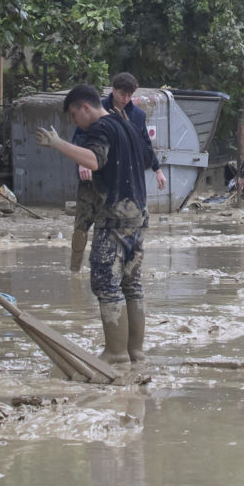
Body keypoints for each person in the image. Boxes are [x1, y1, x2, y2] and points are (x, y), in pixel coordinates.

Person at [36, 86, 166, 364]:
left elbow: (94, 160)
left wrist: (57, 143)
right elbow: (146, 158)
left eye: (74, 115)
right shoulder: (126, 124)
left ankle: (115, 354)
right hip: (138, 215)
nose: (75, 123)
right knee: (131, 282)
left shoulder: (101, 128)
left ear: (85, 107)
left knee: (105, 281)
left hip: (115, 216)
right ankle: (136, 351)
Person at [67, 72, 162, 275]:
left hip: (119, 183)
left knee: (117, 229)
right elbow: (79, 140)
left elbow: (144, 146)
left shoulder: (137, 116)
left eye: (129, 95)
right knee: (81, 226)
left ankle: (119, 272)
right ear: (113, 90)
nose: (125, 98)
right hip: (91, 177)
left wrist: (158, 169)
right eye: (122, 94)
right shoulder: (95, 109)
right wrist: (81, 163)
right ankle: (74, 270)